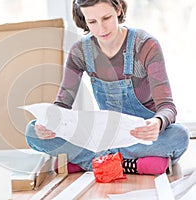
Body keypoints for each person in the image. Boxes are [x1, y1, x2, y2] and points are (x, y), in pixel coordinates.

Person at [25, 0, 190, 175]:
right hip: (106, 135)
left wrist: (157, 123)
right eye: (92, 22)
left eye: (106, 18)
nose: (101, 29)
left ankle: (89, 162)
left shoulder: (145, 45)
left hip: (142, 136)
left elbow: (167, 106)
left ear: (118, 9)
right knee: (32, 131)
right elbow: (62, 105)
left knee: (179, 136)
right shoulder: (80, 51)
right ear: (84, 19)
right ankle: (133, 165)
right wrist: (50, 123)